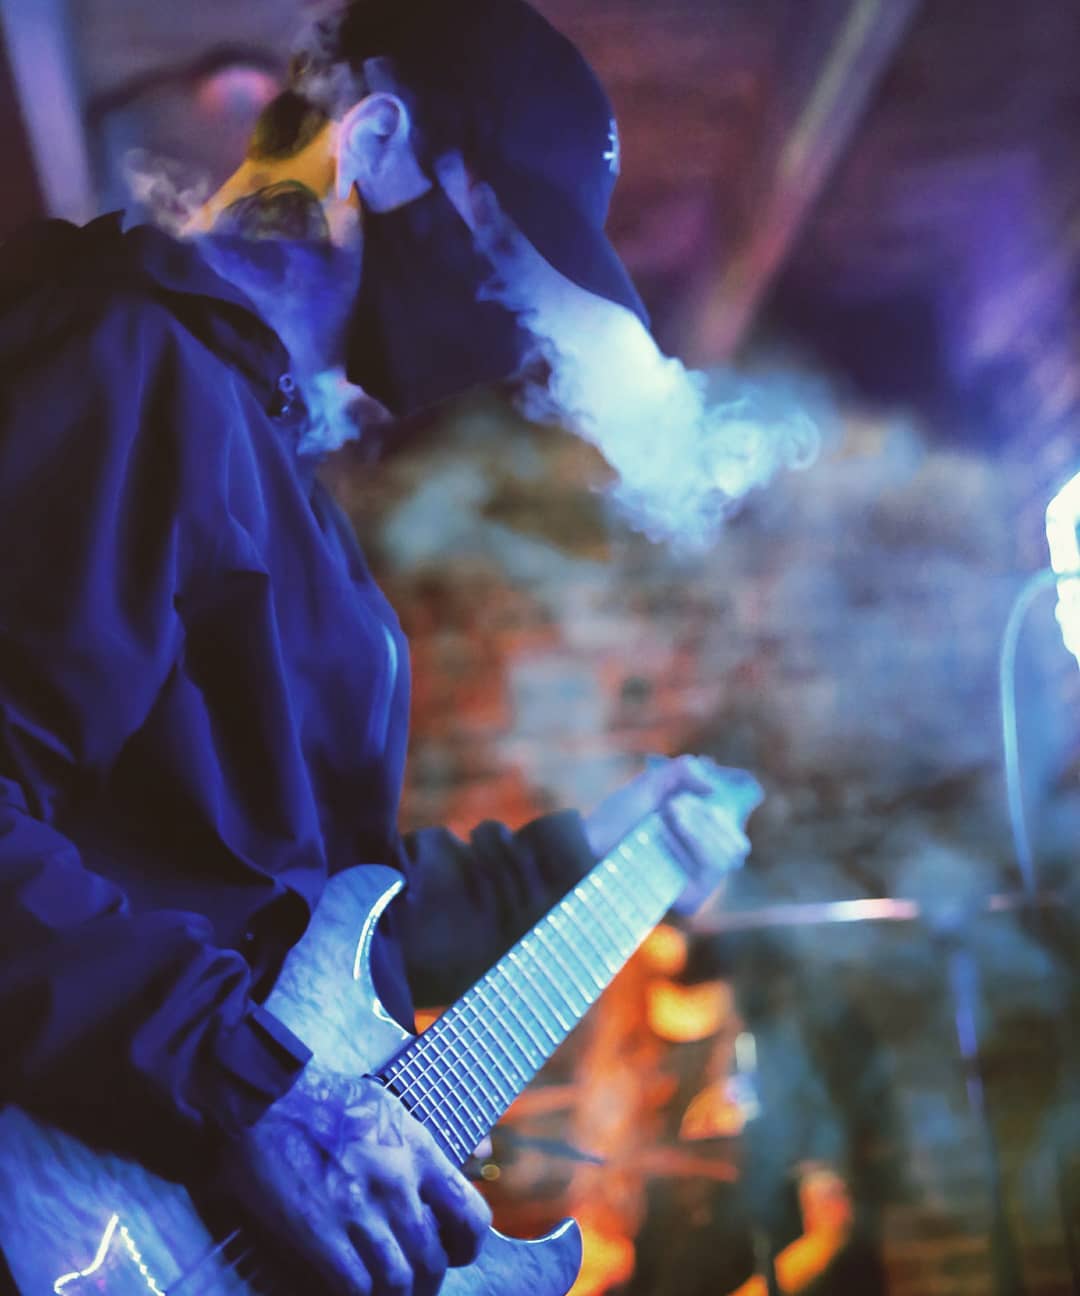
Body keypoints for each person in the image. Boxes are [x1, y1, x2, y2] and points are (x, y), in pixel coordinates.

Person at [0, 2, 752, 1293]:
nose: (519, 306)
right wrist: (251, 1094)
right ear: (377, 140)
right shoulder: (137, 365)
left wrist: (586, 861)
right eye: (505, 234)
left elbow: (301, 906)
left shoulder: (270, 455)